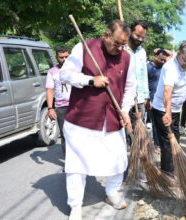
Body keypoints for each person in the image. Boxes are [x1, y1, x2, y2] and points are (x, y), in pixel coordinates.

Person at [59, 20, 135, 220]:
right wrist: (90, 80)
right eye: (116, 43)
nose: (119, 48)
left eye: (123, 44)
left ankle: (112, 192)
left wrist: (125, 110)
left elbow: (129, 88)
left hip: (112, 119)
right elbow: (64, 75)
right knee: (77, 164)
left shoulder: (127, 58)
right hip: (82, 120)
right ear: (106, 34)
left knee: (118, 160)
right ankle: (75, 205)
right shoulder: (84, 48)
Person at [152, 41, 186, 173]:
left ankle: (174, 164)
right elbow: (167, 92)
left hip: (176, 108)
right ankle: (168, 171)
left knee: (175, 138)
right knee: (167, 141)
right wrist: (168, 113)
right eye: (185, 61)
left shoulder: (184, 61)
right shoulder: (170, 67)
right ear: (179, 54)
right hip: (163, 108)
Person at [46, 46, 70, 157]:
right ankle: (68, 162)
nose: (64, 59)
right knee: (65, 135)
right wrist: (50, 108)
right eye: (61, 57)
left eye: (66, 56)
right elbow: (50, 90)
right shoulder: (52, 72)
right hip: (61, 108)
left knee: (80, 134)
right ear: (56, 57)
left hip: (77, 106)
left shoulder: (76, 69)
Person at [126, 20, 149, 124]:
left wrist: (146, 96)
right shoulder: (122, 49)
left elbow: (144, 75)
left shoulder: (142, 52)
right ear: (130, 31)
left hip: (139, 99)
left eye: (143, 37)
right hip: (124, 98)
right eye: (137, 35)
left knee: (138, 131)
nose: (140, 39)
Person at [147, 49, 169, 147]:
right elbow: (144, 84)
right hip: (152, 100)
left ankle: (163, 142)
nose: (163, 62)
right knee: (155, 124)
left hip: (163, 101)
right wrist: (147, 99)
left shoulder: (165, 69)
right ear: (155, 56)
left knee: (163, 123)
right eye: (161, 59)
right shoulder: (148, 68)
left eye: (164, 60)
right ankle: (157, 144)